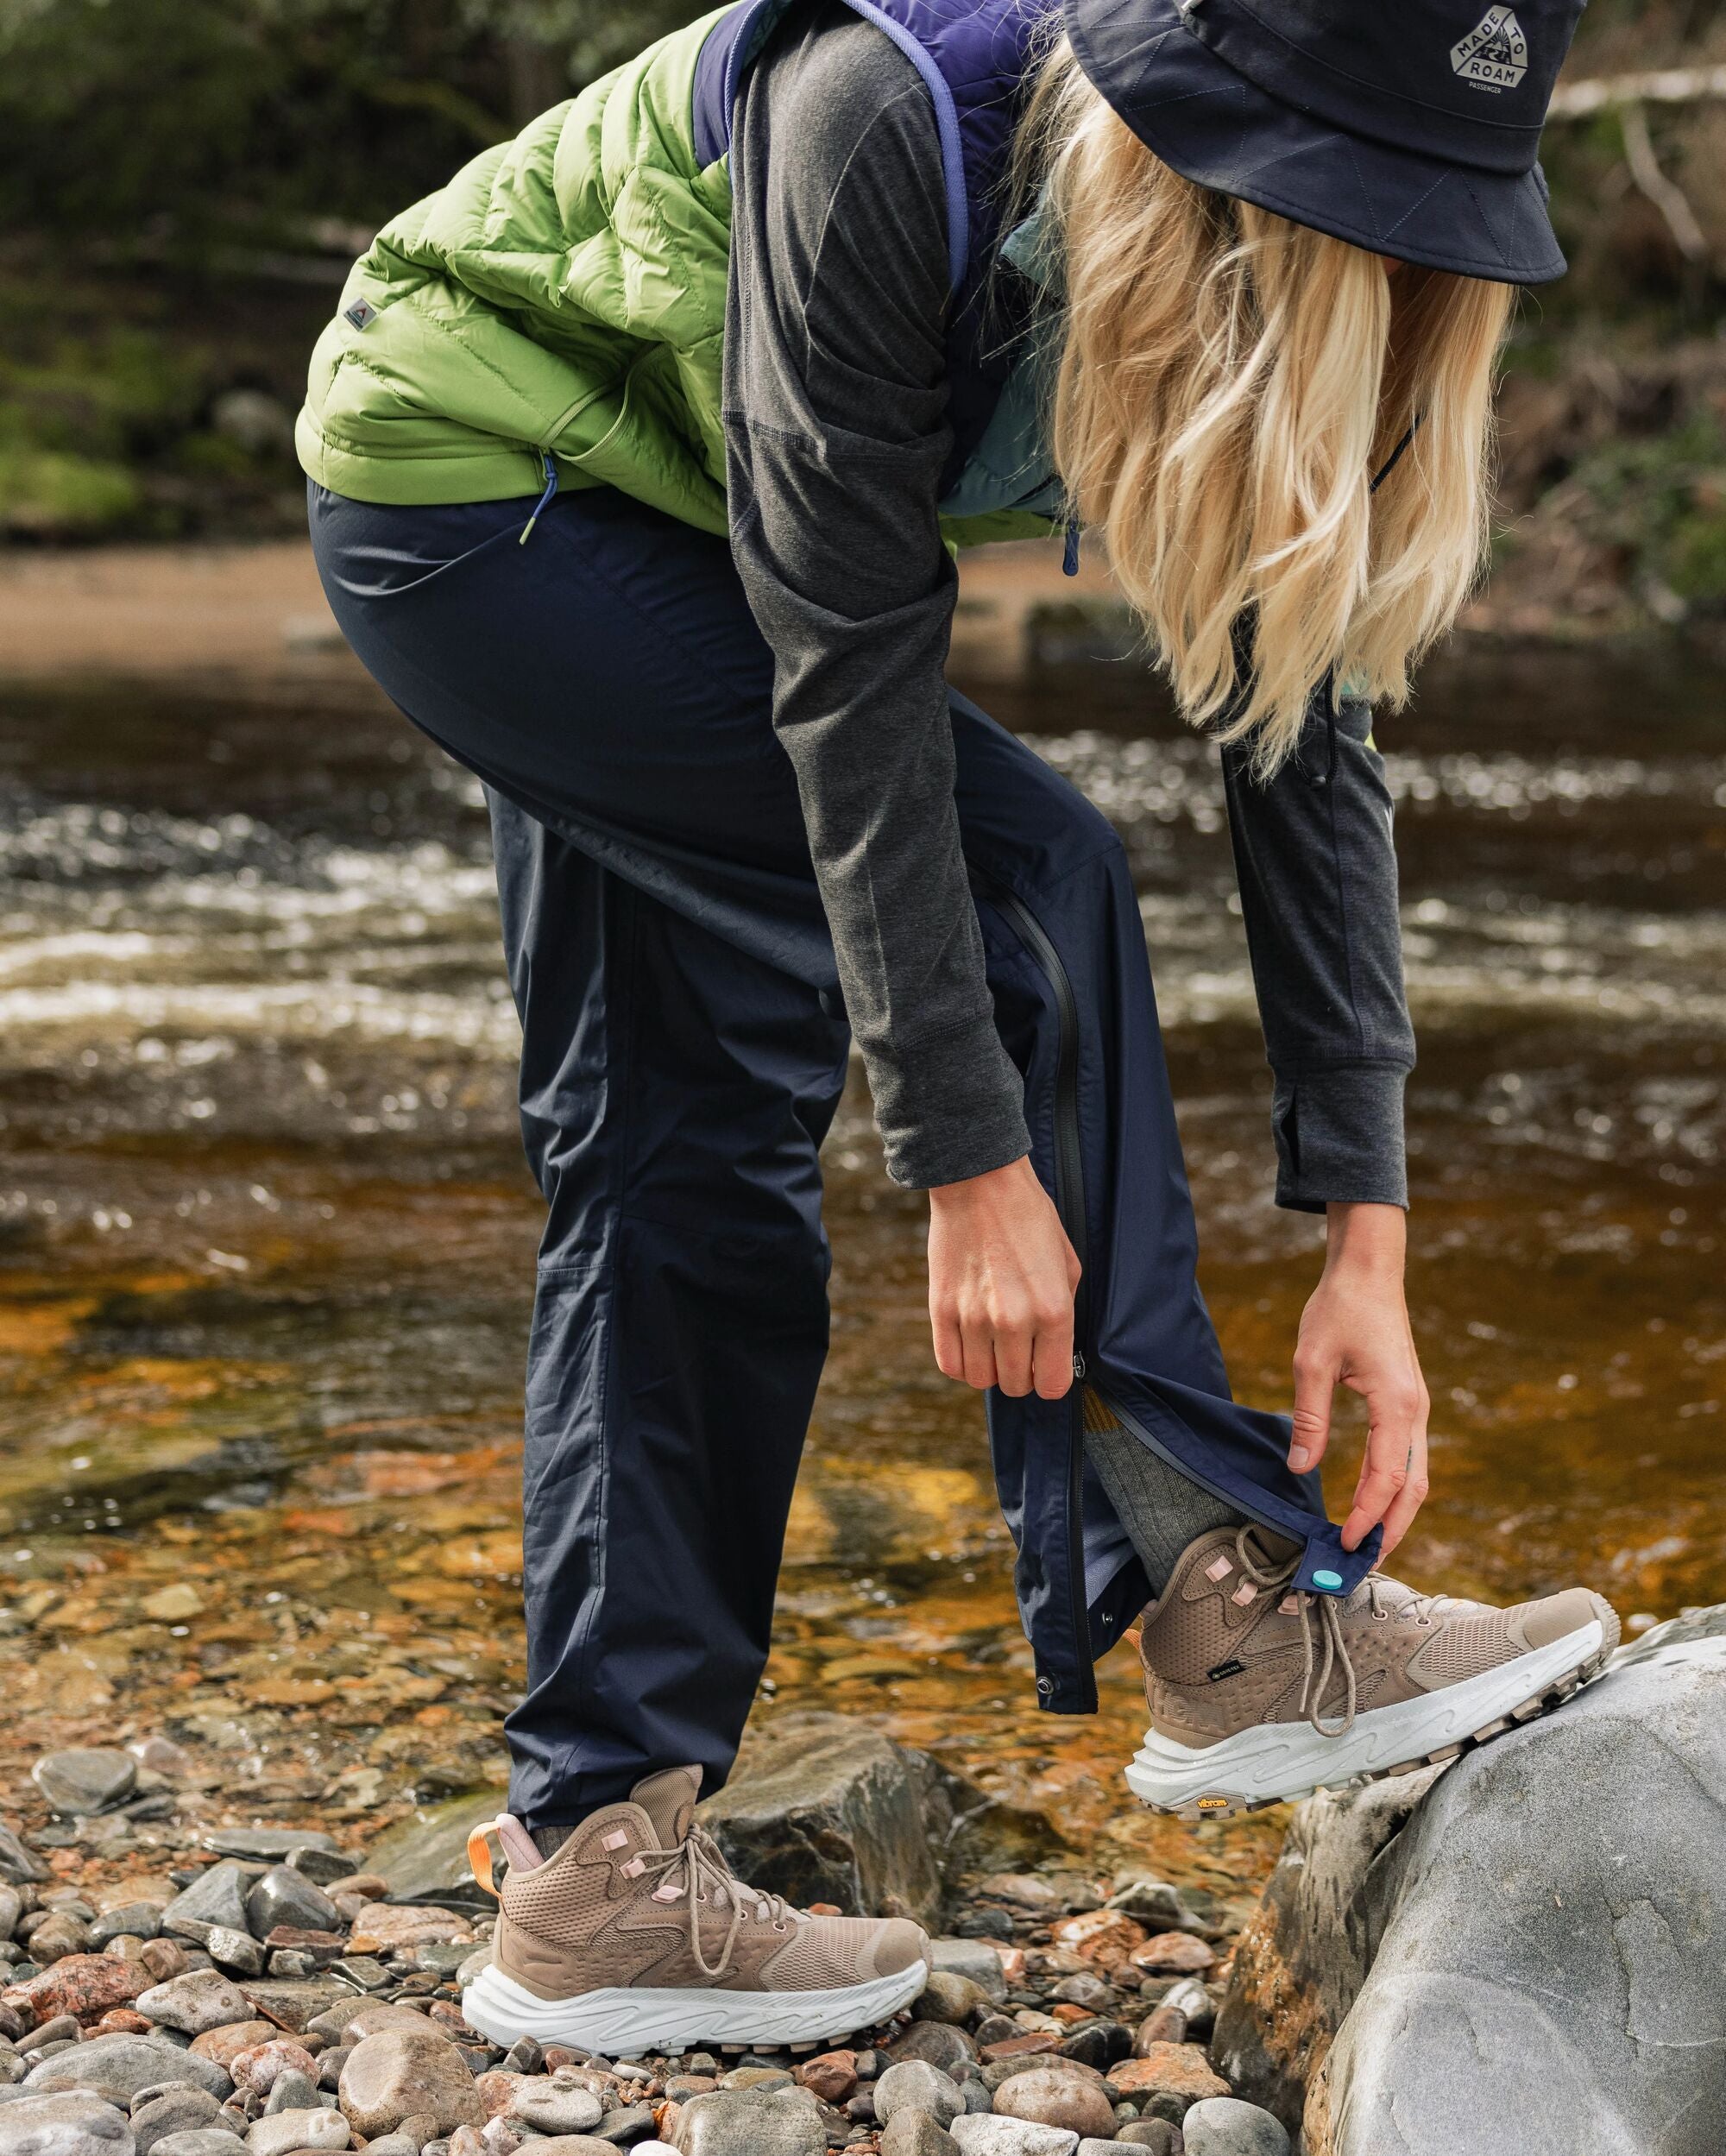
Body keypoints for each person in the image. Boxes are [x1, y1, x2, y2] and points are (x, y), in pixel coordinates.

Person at [299, 0, 1617, 2052]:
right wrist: (970, 1159)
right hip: (490, 491)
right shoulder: (884, 119)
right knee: (1033, 886)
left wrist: (1367, 1238)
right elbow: (849, 662)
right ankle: (1225, 1609)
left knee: (680, 1147)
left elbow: (1304, 729)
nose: (1380, 254)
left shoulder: (1302, 285)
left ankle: (595, 1864)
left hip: (677, 509)